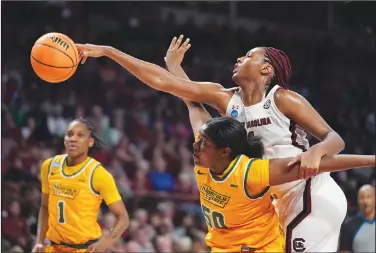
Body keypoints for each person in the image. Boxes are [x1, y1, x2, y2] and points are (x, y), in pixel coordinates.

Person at [76, 37, 347, 252]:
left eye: (249, 55)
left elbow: (335, 139)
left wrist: (317, 151)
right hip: (276, 200)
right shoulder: (225, 98)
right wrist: (110, 51)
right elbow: (168, 85)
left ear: (267, 68)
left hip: (311, 194)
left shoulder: (284, 99)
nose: (240, 58)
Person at [181, 92, 374, 252]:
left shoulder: (251, 172)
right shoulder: (206, 157)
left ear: (224, 151)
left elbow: (324, 164)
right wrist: (174, 65)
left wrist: (372, 160)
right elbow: (193, 104)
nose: (196, 145)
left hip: (261, 248)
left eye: (203, 142)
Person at [31, 118, 130, 253]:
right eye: (69, 134)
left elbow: (123, 218)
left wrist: (104, 244)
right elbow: (44, 206)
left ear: (90, 142)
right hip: (53, 248)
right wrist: (39, 242)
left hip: (84, 249)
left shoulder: (98, 174)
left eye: (80, 135)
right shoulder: (49, 166)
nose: (73, 139)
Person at [339, 184, 375, 253]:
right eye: (362, 198)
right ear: (358, 201)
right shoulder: (348, 227)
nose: (365, 201)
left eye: (369, 197)